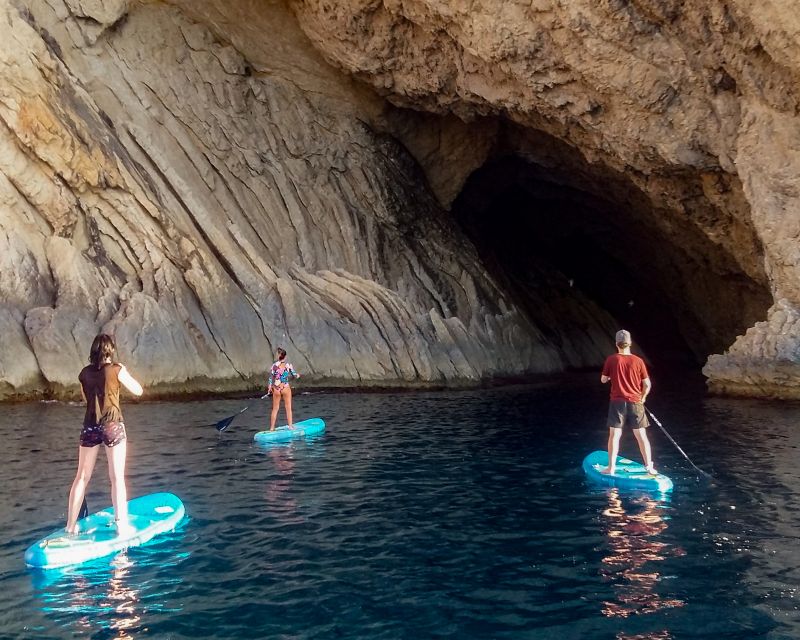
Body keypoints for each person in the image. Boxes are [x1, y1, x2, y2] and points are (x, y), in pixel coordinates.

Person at [66, 334, 143, 535]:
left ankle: (70, 526)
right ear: (110, 351)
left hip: (90, 426)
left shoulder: (84, 374)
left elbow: (86, 398)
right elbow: (138, 391)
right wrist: (123, 371)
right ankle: (121, 524)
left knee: (81, 477)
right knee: (116, 477)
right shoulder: (116, 370)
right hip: (112, 426)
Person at [600, 329, 656, 475]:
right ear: (630, 343)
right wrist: (643, 397)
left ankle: (611, 468)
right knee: (641, 436)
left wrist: (611, 376)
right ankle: (649, 467)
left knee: (614, 435)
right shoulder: (638, 361)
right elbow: (647, 384)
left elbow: (603, 379)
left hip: (617, 402)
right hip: (636, 402)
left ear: (616, 343)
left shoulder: (611, 359)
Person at [267, 347, 300, 431]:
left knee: (275, 409)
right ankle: (290, 426)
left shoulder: (274, 366)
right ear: (285, 356)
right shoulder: (288, 365)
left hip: (276, 389)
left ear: (278, 356)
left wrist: (270, 387)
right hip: (285, 388)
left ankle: (271, 428)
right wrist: (297, 375)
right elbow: (294, 374)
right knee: (288, 408)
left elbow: (271, 377)